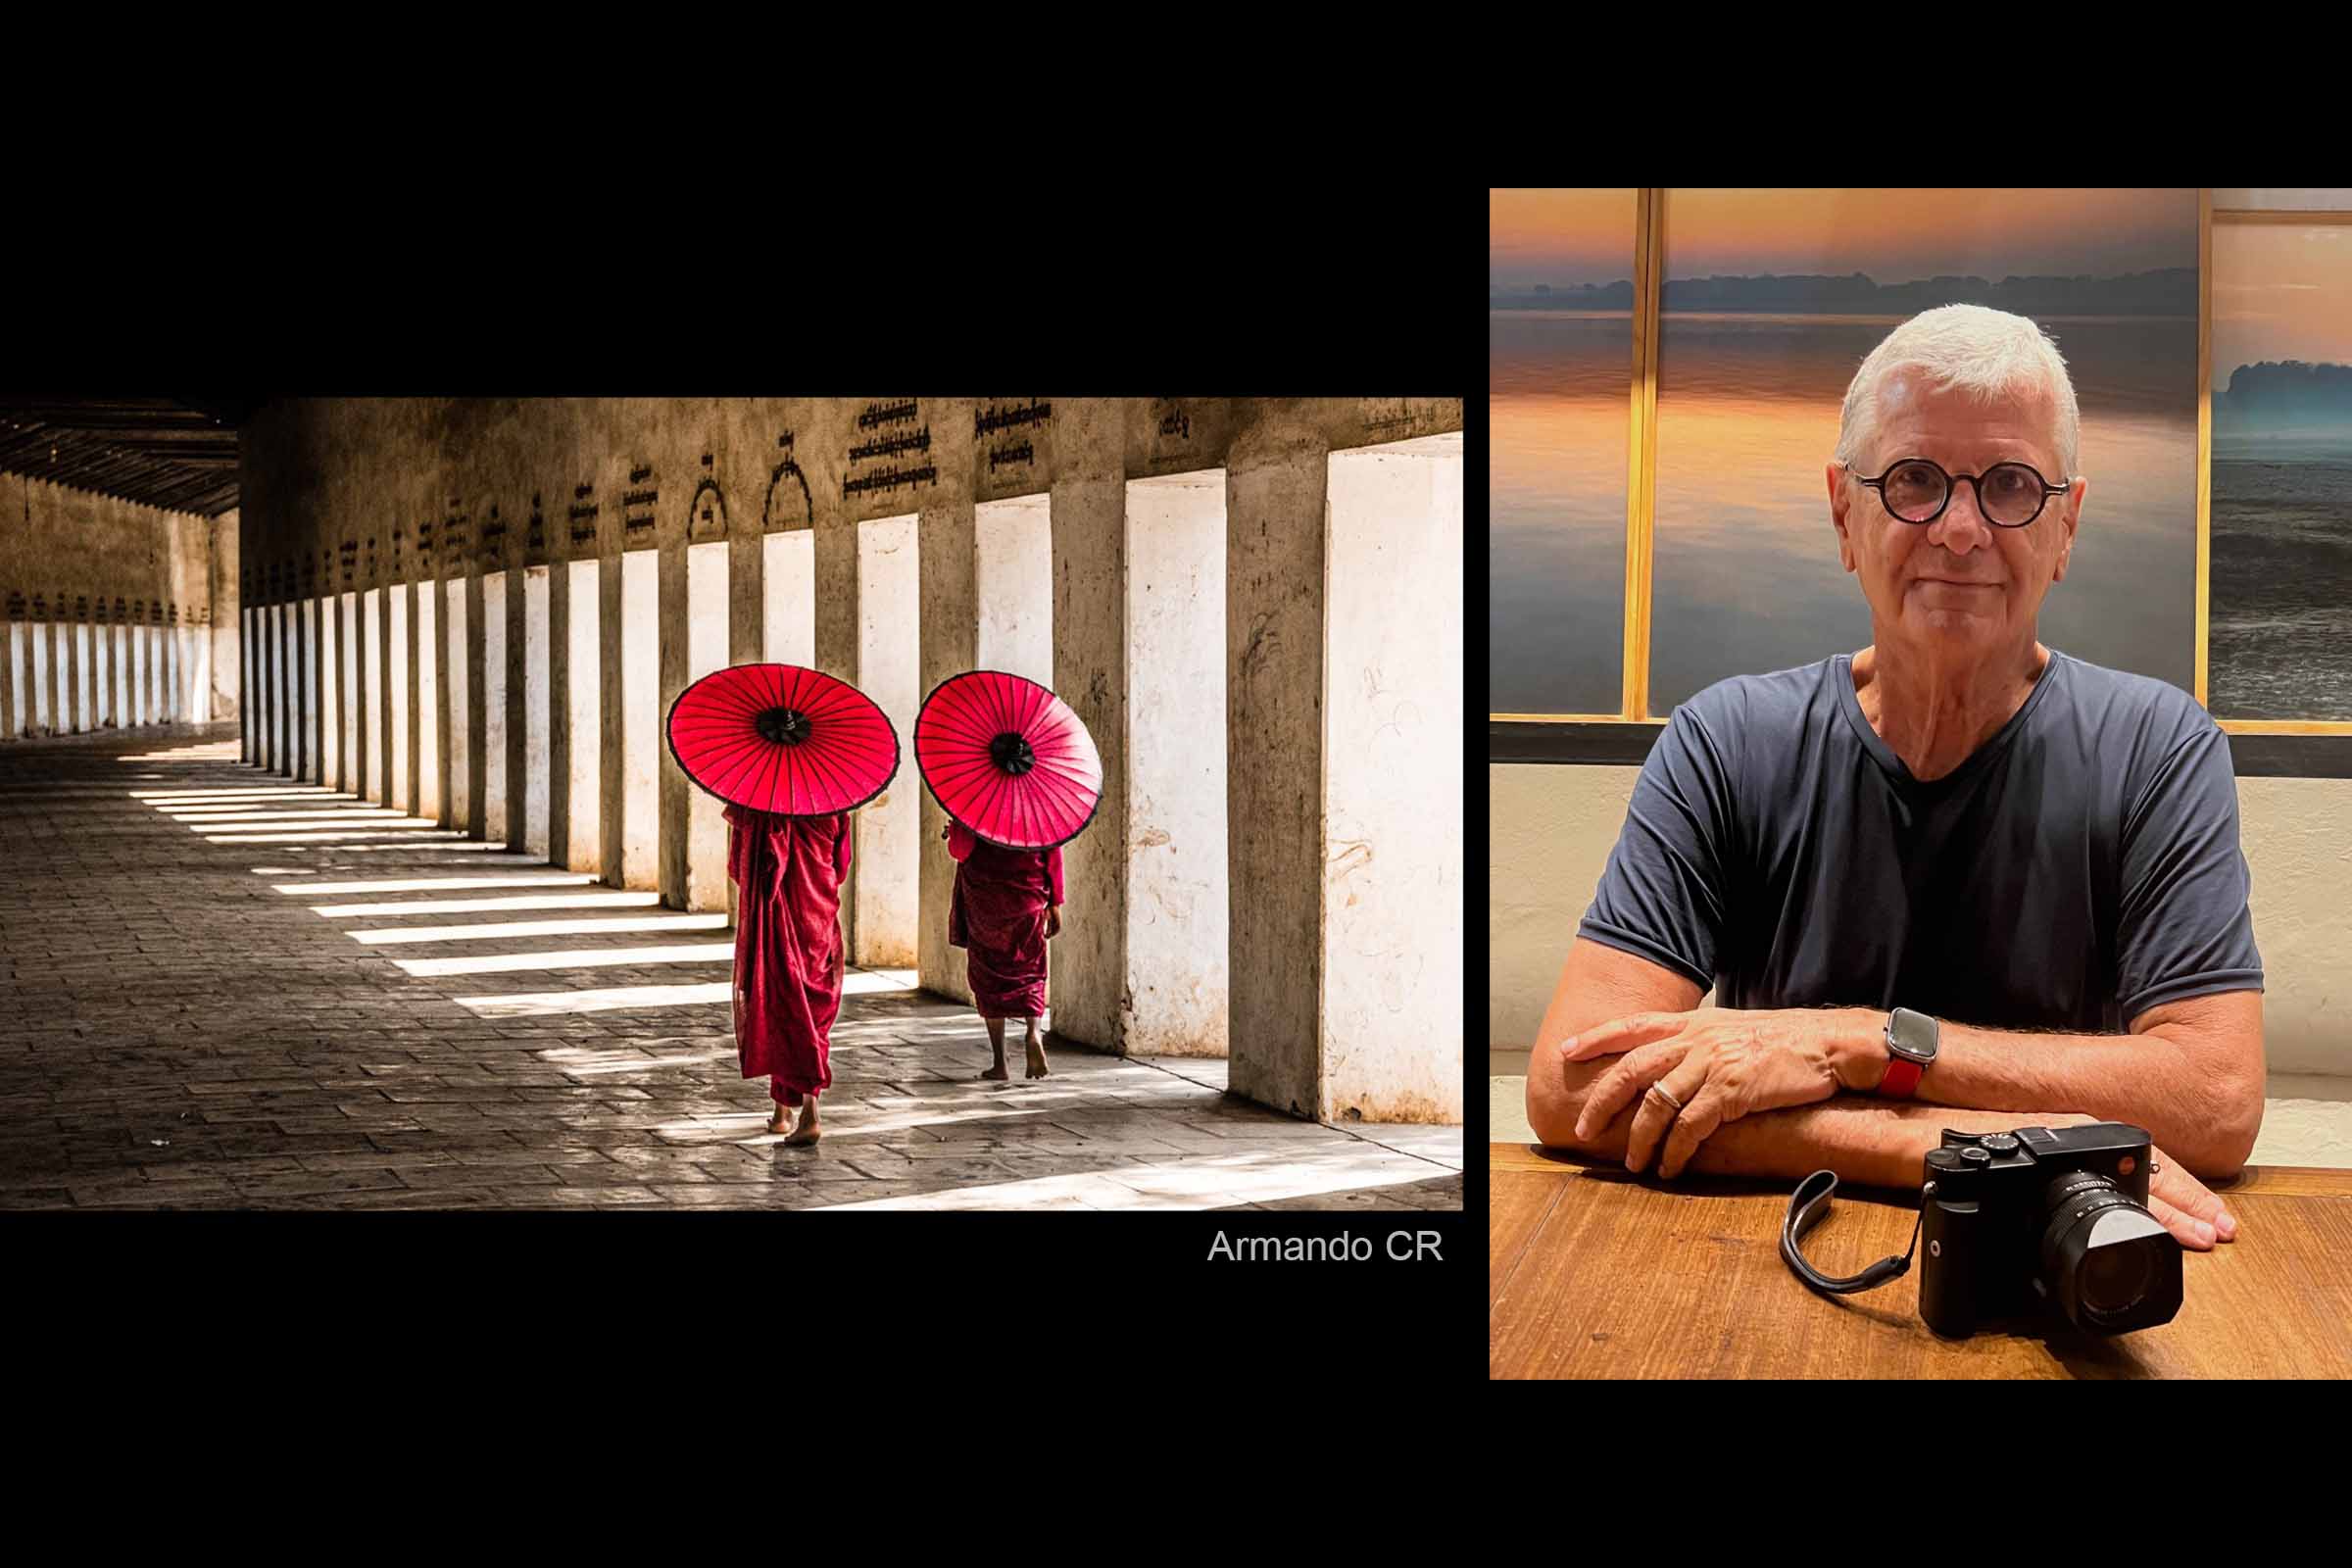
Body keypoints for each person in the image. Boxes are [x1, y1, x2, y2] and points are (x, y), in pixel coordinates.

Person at [1523, 304, 2264, 1253]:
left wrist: (1860, 1042)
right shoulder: (1725, 742)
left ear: (2067, 523)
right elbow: (1572, 1086)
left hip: (2052, 1275)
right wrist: (1960, 1146)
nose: (1960, 531)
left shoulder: (2159, 750)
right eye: (1915, 479)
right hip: (1743, 1269)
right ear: (1844, 508)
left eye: (2010, 485)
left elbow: (2217, 1101)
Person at [724, 805, 852, 1145]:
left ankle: (810, 1114)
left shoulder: (759, 806)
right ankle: (783, 1110)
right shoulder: (834, 805)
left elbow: (739, 867)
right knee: (809, 1010)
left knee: (780, 1004)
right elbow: (840, 868)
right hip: (818, 918)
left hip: (779, 914)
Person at [944, 819, 1063, 1079]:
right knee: (1031, 968)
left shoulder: (974, 804)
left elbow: (960, 851)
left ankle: (1000, 1062)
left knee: (988, 975)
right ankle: (1033, 1032)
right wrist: (1055, 901)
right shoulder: (1038, 807)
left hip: (985, 900)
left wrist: (953, 830)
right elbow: (1053, 851)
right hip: (1028, 895)